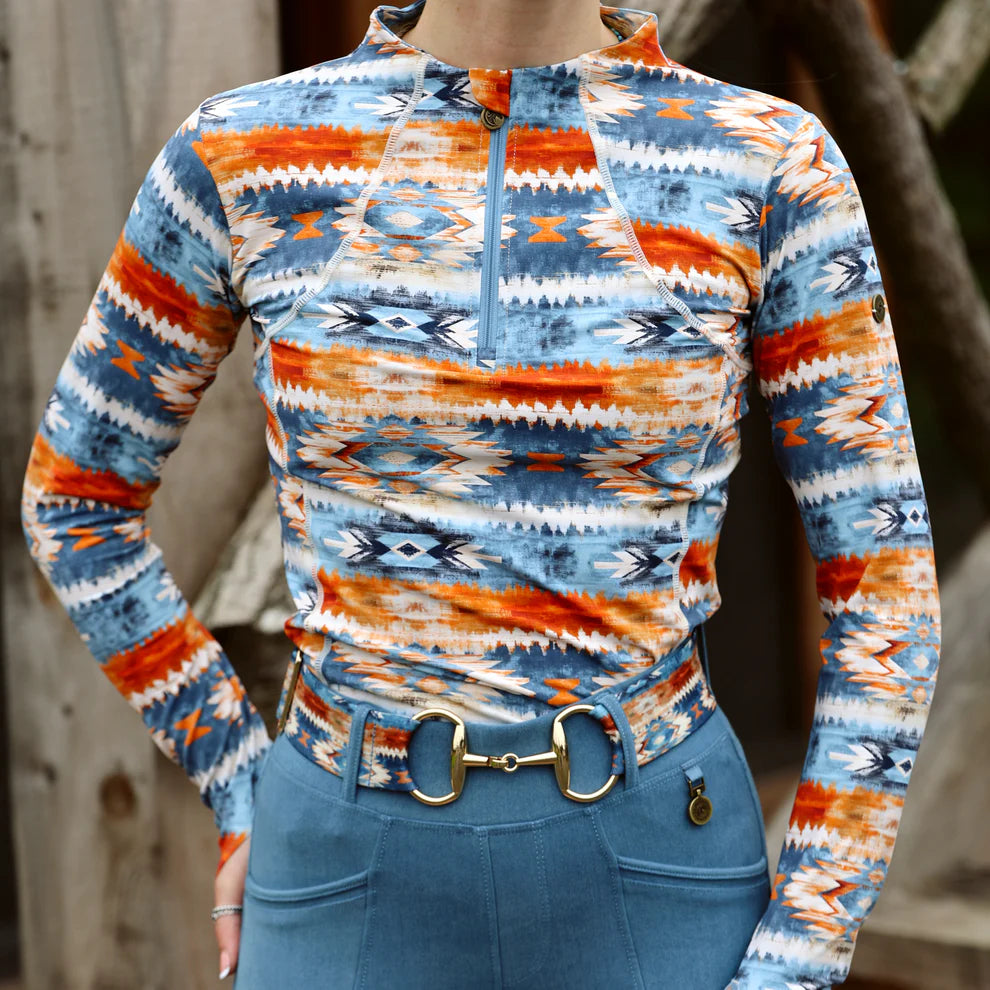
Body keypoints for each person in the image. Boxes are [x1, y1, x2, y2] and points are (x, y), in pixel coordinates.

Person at [19, 0, 942, 986]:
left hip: (656, 872)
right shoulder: (242, 152)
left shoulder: (767, 162)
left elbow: (885, 583)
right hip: (335, 867)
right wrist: (242, 778)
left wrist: (799, 953)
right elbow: (76, 501)